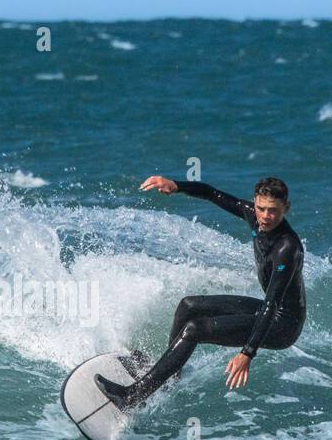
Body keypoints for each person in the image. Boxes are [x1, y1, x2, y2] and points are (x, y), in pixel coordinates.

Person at [94, 175, 306, 409]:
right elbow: (212, 193)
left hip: (282, 326)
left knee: (195, 329)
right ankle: (169, 375)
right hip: (268, 311)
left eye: (273, 211)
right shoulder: (254, 216)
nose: (266, 216)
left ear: (285, 208)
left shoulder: (288, 247)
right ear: (254, 202)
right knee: (189, 306)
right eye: (261, 208)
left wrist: (247, 353)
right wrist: (176, 186)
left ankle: (131, 397)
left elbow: (271, 305)